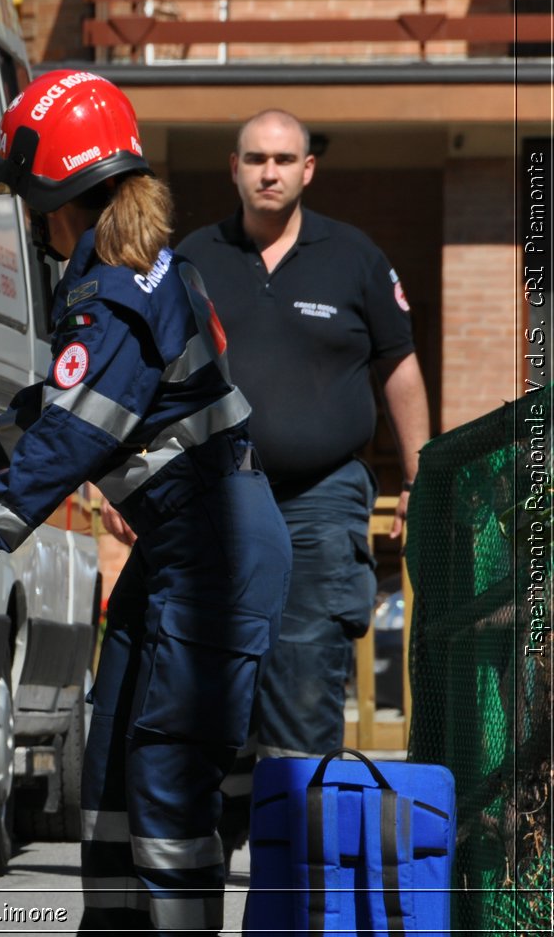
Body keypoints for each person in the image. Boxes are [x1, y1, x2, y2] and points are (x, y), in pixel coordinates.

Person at [0, 70, 290, 934]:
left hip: (212, 548)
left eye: (32, 200)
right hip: (182, 543)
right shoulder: (138, 275)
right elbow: (60, 407)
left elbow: (76, 437)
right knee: (111, 744)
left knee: (166, 767)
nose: (34, 222)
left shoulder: (112, 293)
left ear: (59, 188)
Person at [177, 109, 430, 828]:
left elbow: (399, 369)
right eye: (255, 158)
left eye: (284, 159)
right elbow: (155, 378)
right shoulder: (195, 258)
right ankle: (215, 836)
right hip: (217, 494)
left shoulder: (354, 258)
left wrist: (419, 477)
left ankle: (299, 842)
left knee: (305, 650)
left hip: (322, 494)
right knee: (212, 659)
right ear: (234, 167)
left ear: (307, 169)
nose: (269, 171)